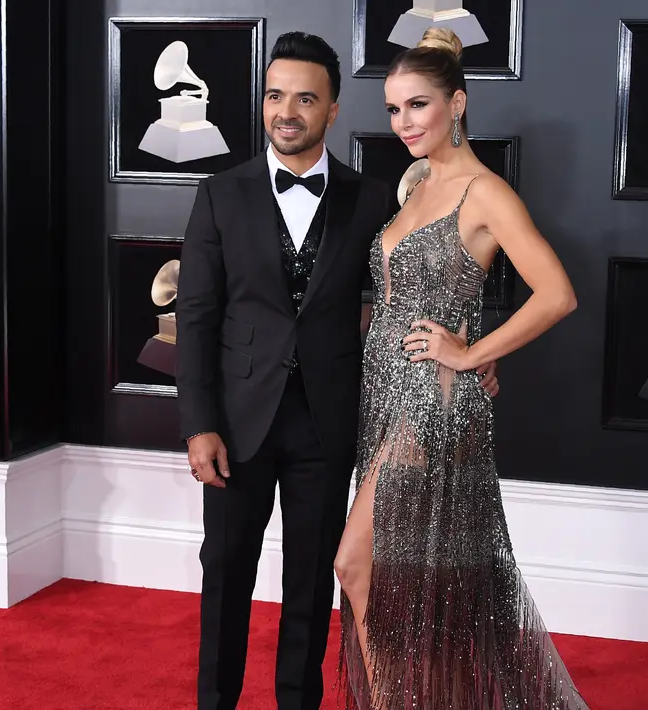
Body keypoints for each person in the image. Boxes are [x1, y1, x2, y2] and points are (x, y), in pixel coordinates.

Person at [177, 31, 500, 710]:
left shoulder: (371, 197)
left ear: (330, 109)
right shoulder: (219, 195)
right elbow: (198, 319)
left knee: (310, 585)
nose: (284, 111)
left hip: (330, 424)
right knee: (224, 576)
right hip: (237, 424)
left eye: (303, 98)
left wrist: (472, 348)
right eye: (274, 96)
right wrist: (199, 425)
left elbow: (410, 287)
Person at [331, 27, 590, 709]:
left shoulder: (483, 192)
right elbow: (412, 293)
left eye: (417, 105)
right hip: (380, 392)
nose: (403, 122)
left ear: (458, 103)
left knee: (357, 565)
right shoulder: (414, 182)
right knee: (403, 578)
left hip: (429, 399)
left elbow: (557, 293)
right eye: (392, 109)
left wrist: (473, 352)